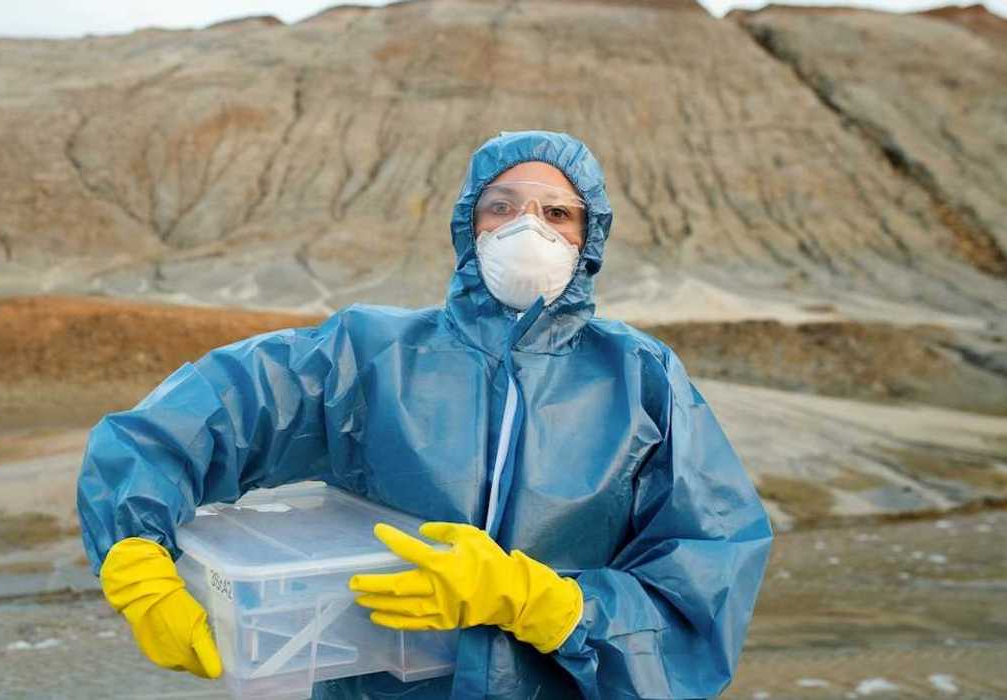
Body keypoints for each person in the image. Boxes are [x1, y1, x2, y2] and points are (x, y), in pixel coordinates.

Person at [77, 130, 774, 699]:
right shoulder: (368, 354)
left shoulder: (638, 378)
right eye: (501, 207)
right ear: (467, 223)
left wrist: (551, 605)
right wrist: (133, 544)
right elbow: (195, 417)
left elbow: (702, 582)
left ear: (588, 238)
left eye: (556, 213)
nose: (526, 227)